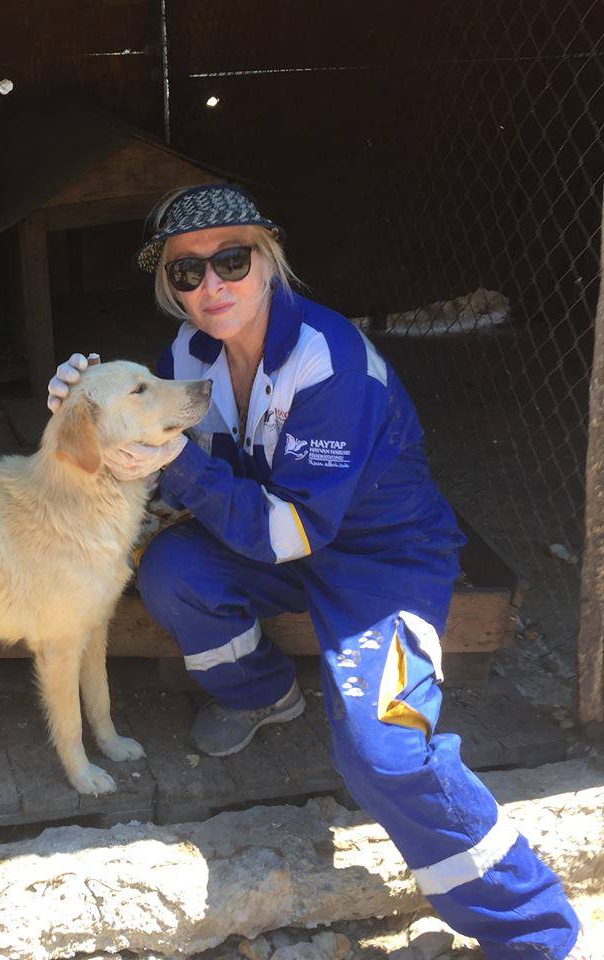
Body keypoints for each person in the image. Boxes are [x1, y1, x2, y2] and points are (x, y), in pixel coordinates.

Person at [47, 183, 589, 959]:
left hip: (380, 560)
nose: (211, 285)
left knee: (384, 756)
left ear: (269, 262)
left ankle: (537, 933)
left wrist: (175, 463)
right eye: (187, 271)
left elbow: (292, 526)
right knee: (173, 572)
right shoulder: (189, 354)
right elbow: (147, 456)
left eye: (232, 260)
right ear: (170, 288)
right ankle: (264, 696)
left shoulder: (329, 361)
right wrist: (83, 411)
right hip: (269, 533)